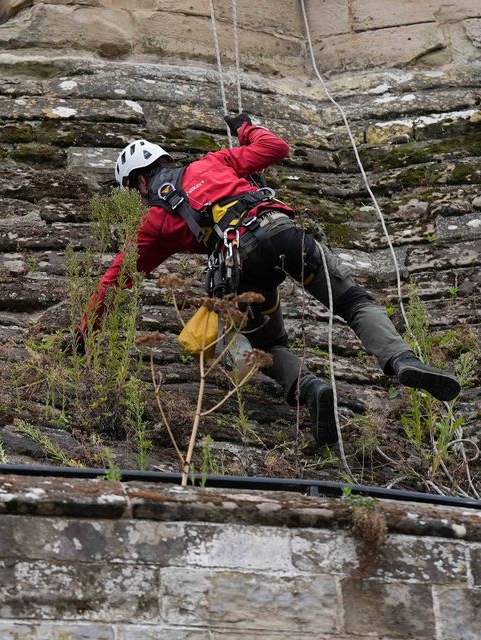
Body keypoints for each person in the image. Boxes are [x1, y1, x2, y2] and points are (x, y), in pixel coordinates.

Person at [76, 113, 460, 447]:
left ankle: (310, 388)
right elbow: (275, 147)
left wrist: (83, 334)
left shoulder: (154, 223)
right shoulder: (212, 163)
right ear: (163, 161)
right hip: (282, 235)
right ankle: (401, 360)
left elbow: (115, 281)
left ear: (140, 184)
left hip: (239, 265)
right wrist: (245, 127)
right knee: (352, 301)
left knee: (268, 344)